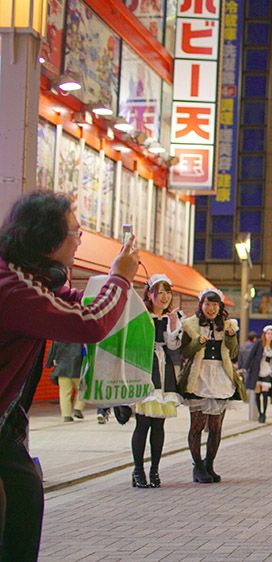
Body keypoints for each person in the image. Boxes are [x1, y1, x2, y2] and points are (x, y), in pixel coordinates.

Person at [0, 191, 139, 561]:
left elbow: (71, 301)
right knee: (20, 504)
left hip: (5, 425)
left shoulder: (28, 277)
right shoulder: (14, 288)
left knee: (24, 495)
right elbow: (90, 323)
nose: (80, 240)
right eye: (75, 232)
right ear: (47, 239)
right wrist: (120, 280)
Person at [180, 288, 240, 484]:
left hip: (221, 377)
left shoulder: (229, 325)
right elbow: (185, 352)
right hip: (199, 376)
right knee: (197, 425)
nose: (211, 308)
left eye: (215, 304)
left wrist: (231, 336)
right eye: (208, 304)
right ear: (201, 304)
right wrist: (197, 342)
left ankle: (209, 464)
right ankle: (197, 466)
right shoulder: (190, 324)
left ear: (220, 306)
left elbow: (233, 353)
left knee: (216, 426)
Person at [131, 274, 184, 488]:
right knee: (142, 423)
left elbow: (173, 347)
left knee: (159, 425)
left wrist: (172, 326)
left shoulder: (173, 317)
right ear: (150, 294)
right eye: (159, 292)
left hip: (164, 370)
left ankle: (154, 471)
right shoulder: (142, 315)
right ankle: (137, 471)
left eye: (167, 292)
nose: (164, 297)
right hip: (145, 368)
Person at [245, 325, 272, 423]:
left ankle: (264, 414)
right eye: (268, 333)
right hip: (257, 371)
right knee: (257, 393)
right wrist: (245, 367)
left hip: (267, 371)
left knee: (265, 393)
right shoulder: (259, 343)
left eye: (271, 334)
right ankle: (259, 413)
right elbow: (251, 355)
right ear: (264, 334)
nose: (269, 336)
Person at [46, 341, 86, 422]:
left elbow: (51, 352)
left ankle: (66, 415)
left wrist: (48, 364)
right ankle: (78, 407)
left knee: (64, 393)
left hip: (62, 370)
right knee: (84, 389)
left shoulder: (59, 338)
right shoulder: (81, 339)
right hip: (78, 369)